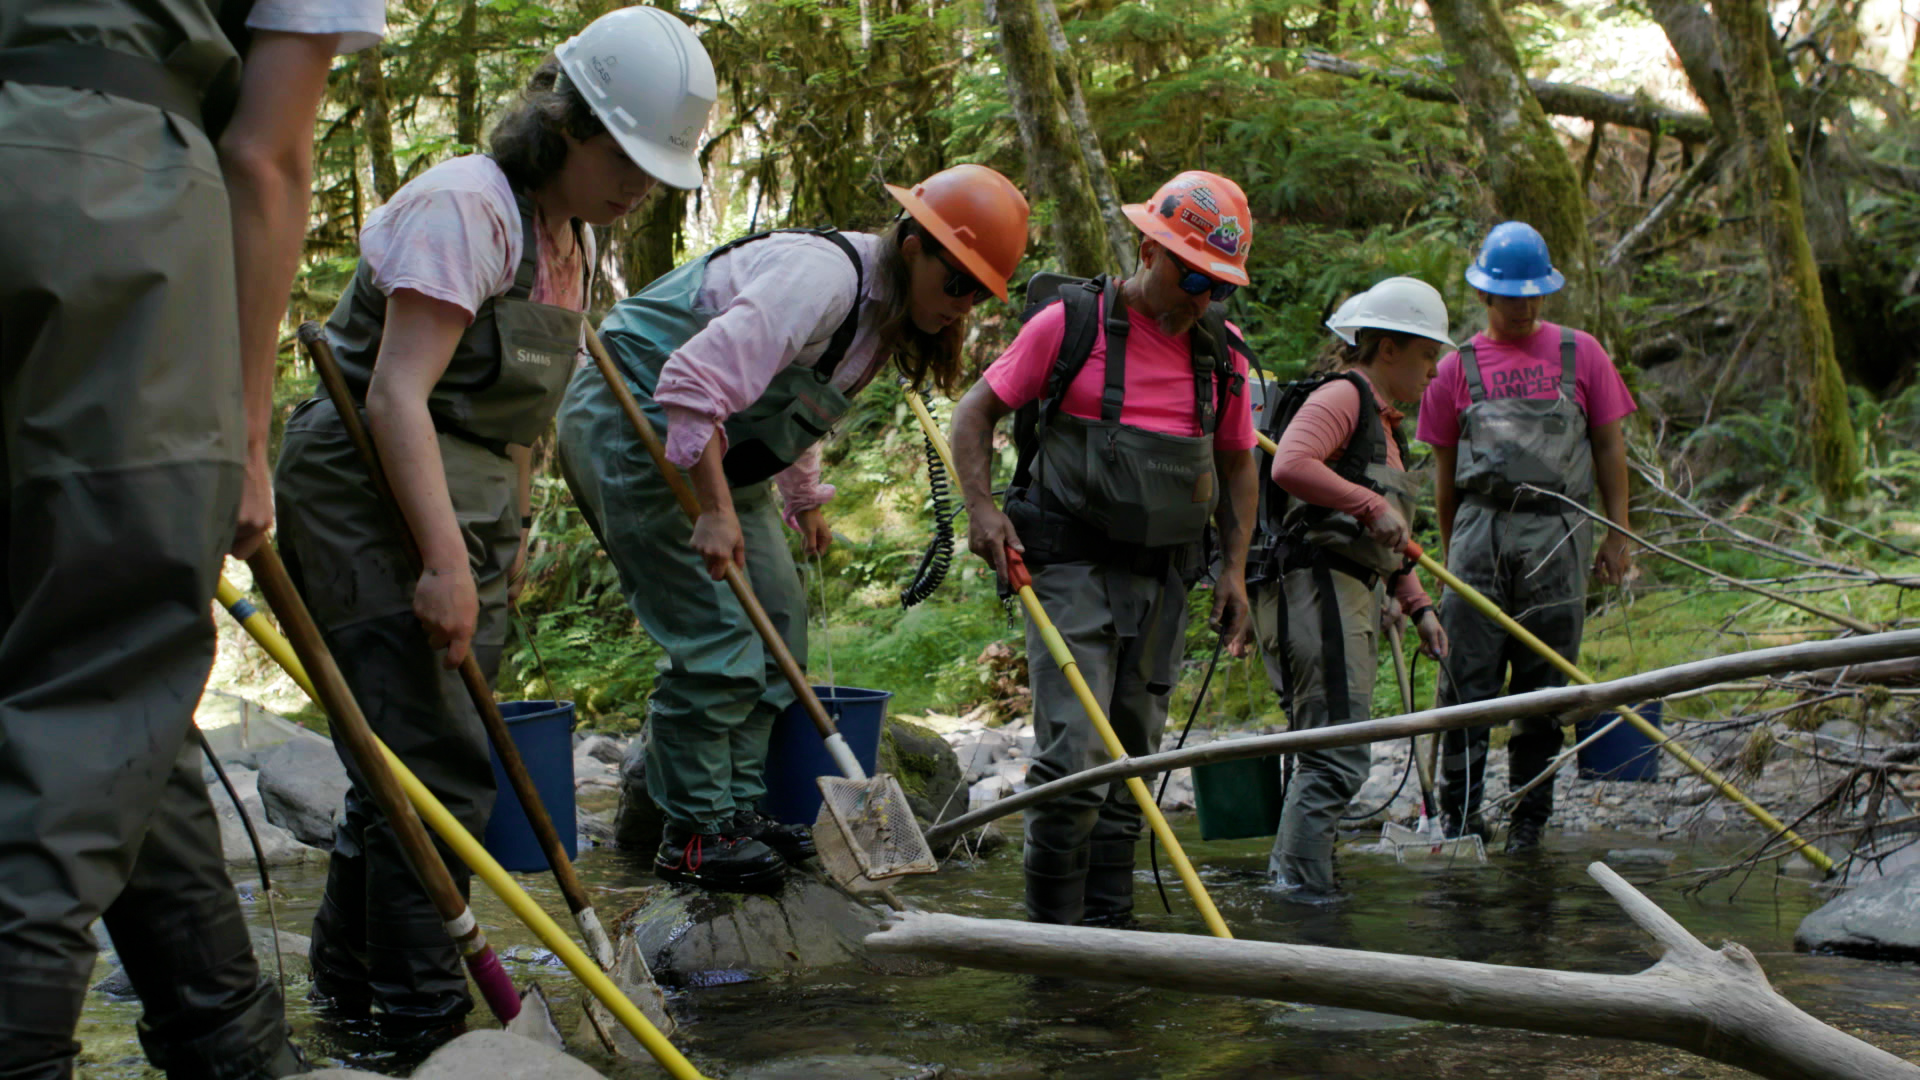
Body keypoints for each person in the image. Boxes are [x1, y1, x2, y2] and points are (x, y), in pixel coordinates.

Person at [273, 6, 715, 1040]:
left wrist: (500, 549)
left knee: (402, 768)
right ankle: (422, 1026)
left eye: (659, 167)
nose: (642, 185)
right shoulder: (467, 208)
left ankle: (346, 998)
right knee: (441, 770)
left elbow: (523, 424)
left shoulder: (570, 242)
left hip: (460, 510)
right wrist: (440, 563)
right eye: (629, 157)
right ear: (570, 122)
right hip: (358, 496)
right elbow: (394, 397)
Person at [0, 2, 383, 1076]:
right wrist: (244, 431)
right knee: (106, 671)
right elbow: (266, 157)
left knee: (108, 704)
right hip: (107, 209)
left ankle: (226, 1044)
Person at [557, 164, 1030, 893]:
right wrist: (715, 511)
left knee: (779, 628)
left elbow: (794, 398)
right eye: (957, 282)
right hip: (640, 416)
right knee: (718, 639)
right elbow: (695, 383)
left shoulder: (878, 319)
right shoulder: (820, 280)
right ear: (912, 247)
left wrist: (804, 498)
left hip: (721, 447)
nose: (962, 304)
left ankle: (735, 811)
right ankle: (691, 834)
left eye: (979, 291)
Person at [951, 171, 1260, 928]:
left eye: (1217, 287)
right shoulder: (1070, 324)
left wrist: (1238, 569)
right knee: (1077, 759)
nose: (1200, 299)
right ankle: (1053, 946)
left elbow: (1239, 463)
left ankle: (1112, 934)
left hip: (1164, 579)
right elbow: (974, 413)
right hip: (1067, 565)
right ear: (1148, 247)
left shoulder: (1224, 355)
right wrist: (984, 510)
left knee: (1135, 763)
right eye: (1191, 276)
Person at [1415, 221, 1636, 854]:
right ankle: (1460, 820)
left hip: (1558, 528)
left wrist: (1618, 535)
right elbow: (1444, 473)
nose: (1526, 306)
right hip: (1478, 530)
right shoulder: (1455, 367)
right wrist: (1449, 556)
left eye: (1535, 294)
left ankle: (1529, 823)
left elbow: (1607, 447)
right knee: (1465, 677)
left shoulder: (1581, 353)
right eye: (1513, 296)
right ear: (1485, 295)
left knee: (1545, 683)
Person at [1251, 277, 1452, 899]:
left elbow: (1384, 536)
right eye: (1427, 356)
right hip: (1316, 591)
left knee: (1329, 752)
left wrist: (1416, 604)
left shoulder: (1384, 426)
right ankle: (1302, 896)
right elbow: (1291, 463)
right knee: (1337, 756)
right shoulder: (1344, 397)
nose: (1433, 371)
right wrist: (1369, 503)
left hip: (1351, 592)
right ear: (1387, 348)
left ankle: (1303, 880)